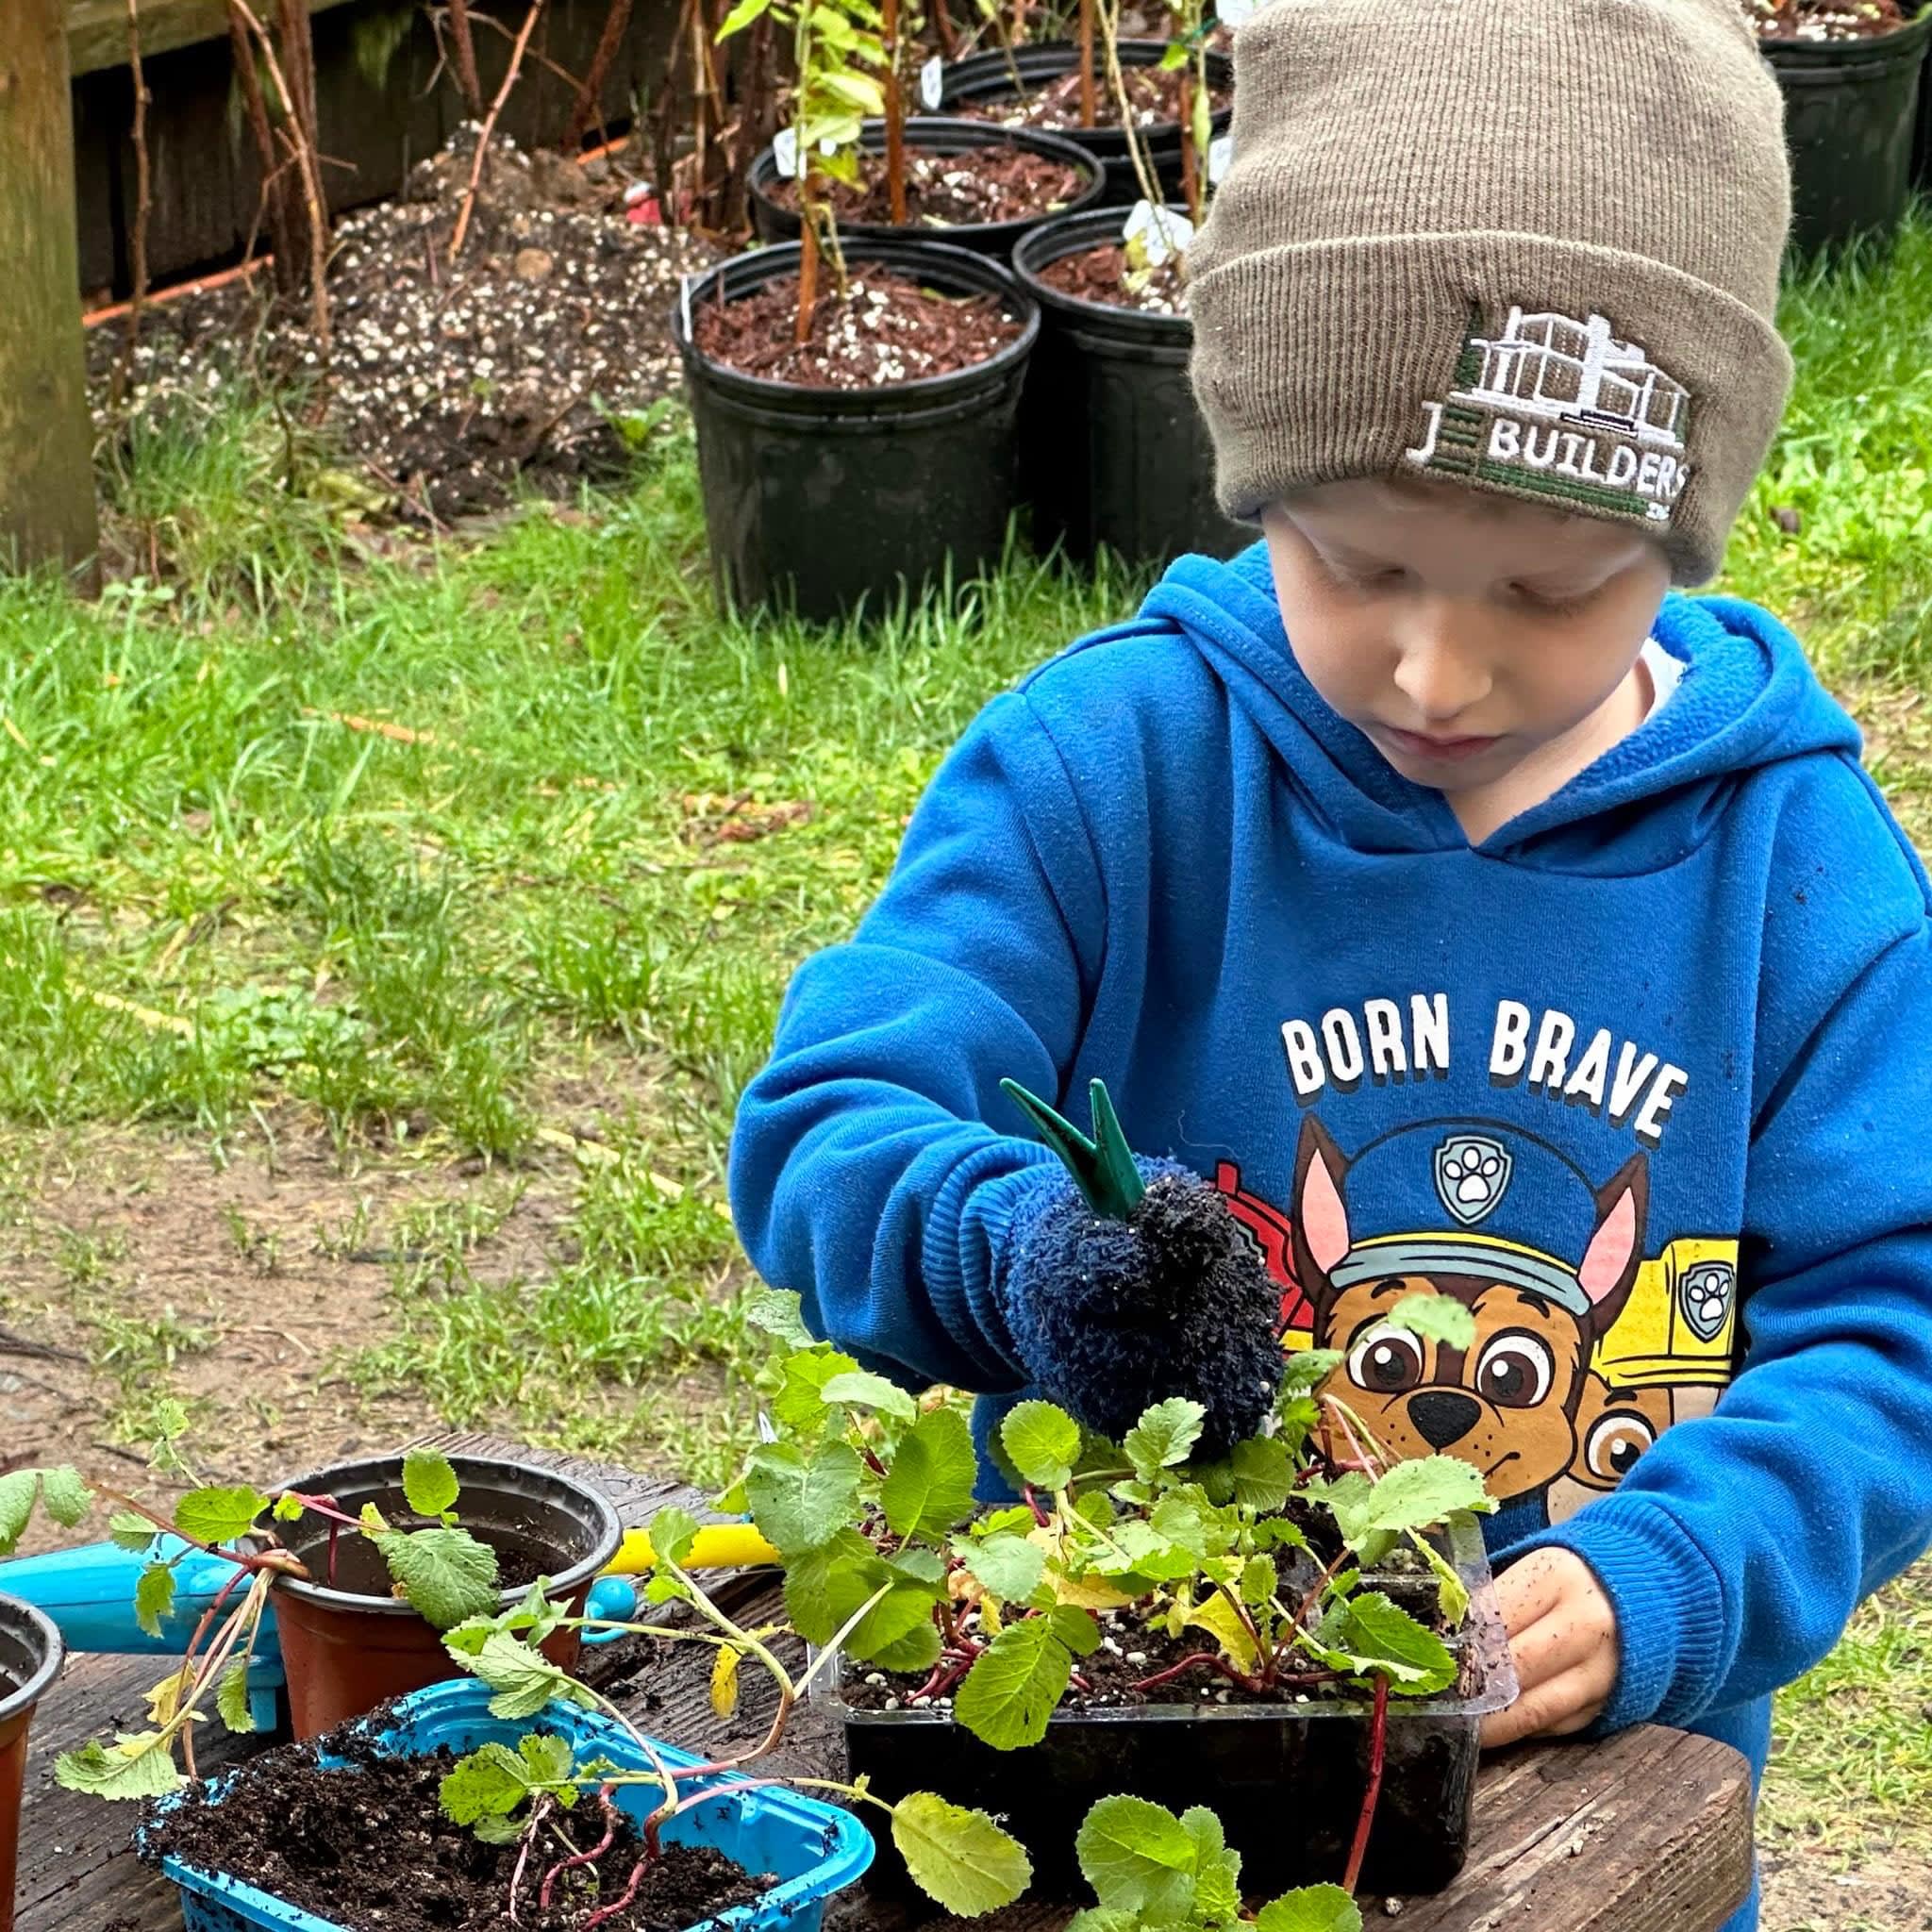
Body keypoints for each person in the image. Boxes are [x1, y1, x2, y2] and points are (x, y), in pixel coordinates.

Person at [727, 4, 1932, 1925]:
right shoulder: (1114, 768)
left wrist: (1672, 1577)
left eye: (1544, 589)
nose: (1434, 672)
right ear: (1256, 467)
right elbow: (829, 1123)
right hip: (1103, 1804)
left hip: (1573, 1830)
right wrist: (1017, 1253)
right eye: (1355, 562)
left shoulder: (1795, 871)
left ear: (1680, 526)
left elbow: (1894, 1328)